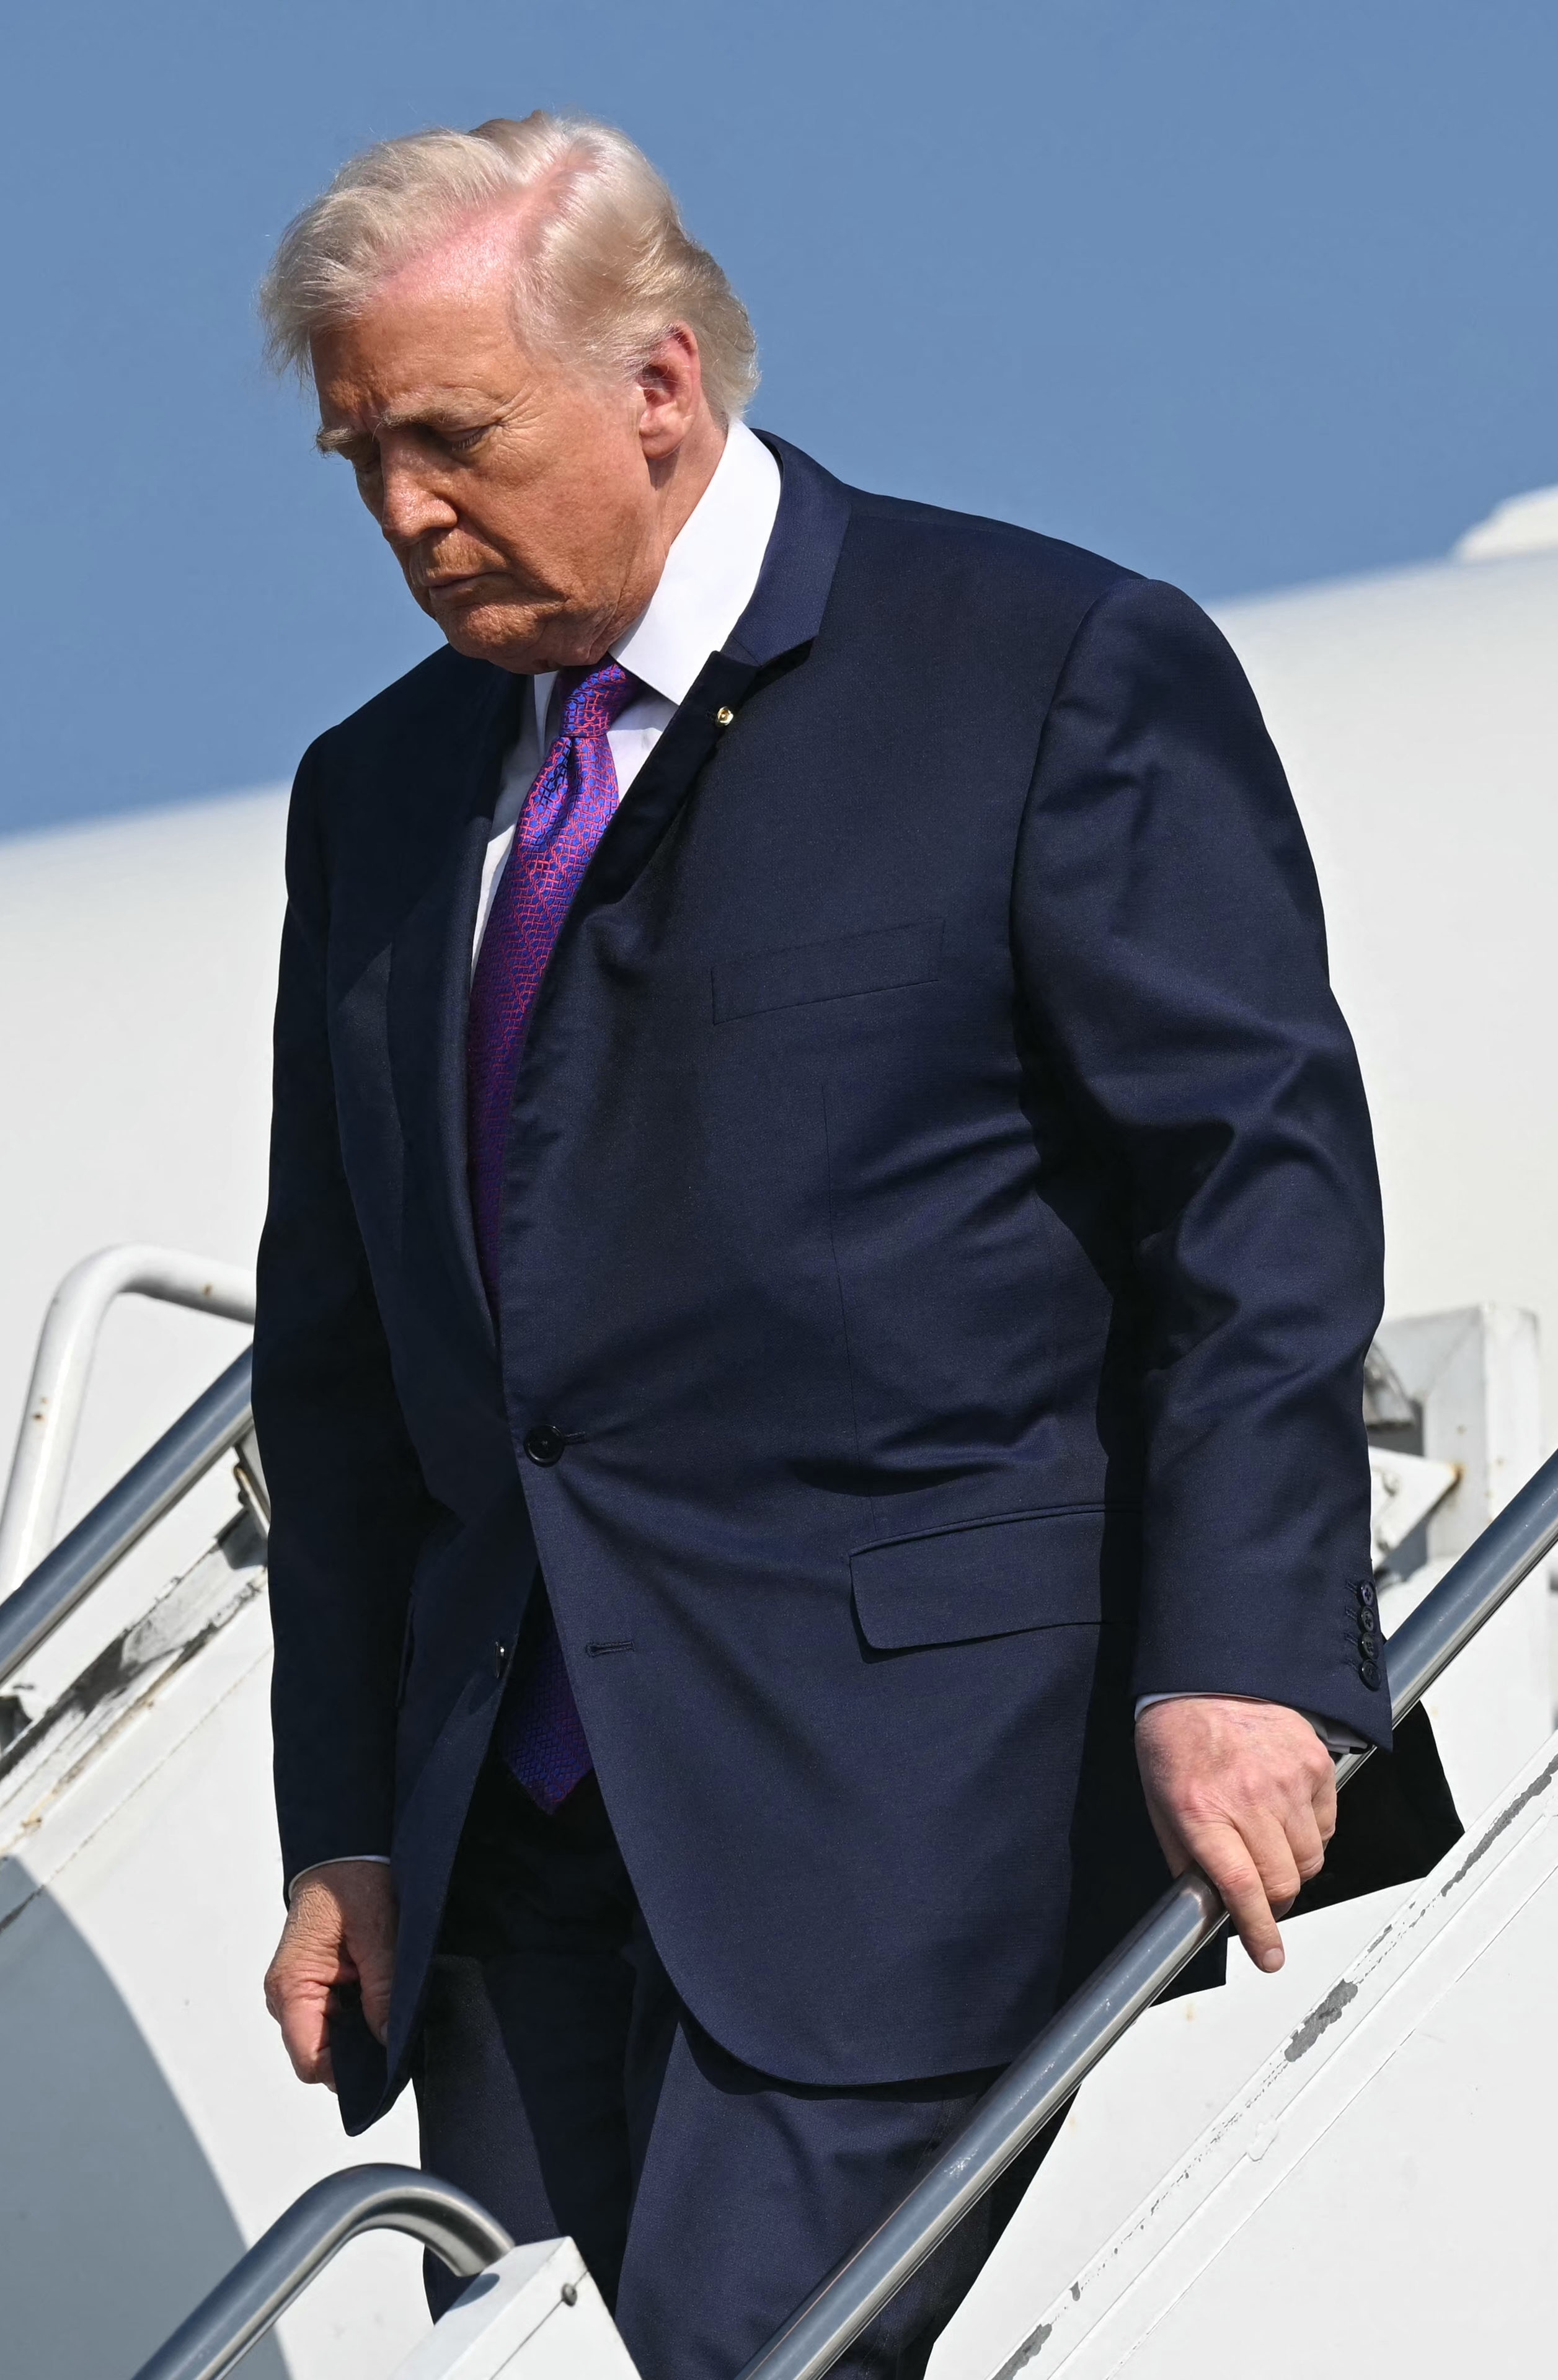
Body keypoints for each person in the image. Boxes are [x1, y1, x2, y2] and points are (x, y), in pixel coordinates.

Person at [248, 112, 1446, 2379]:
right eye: (360, 456)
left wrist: (1254, 1651)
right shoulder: (379, 797)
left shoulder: (1043, 669)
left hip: (929, 1813)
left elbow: (1253, 1198)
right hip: (524, 1880)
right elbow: (342, 1366)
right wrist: (348, 1823)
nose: (405, 511)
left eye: (452, 436)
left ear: (663, 387)